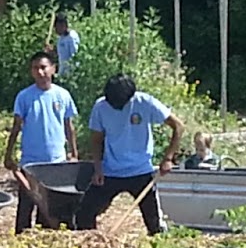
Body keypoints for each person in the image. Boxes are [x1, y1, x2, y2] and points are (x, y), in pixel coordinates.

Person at [76, 73, 184, 236]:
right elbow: (96, 140)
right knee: (84, 214)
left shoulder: (145, 102)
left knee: (155, 225)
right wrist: (98, 168)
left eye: (120, 104)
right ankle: (92, 247)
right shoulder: (100, 107)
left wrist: (168, 158)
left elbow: (178, 126)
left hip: (141, 172)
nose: (117, 107)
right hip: (111, 171)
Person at [3, 49, 78, 233]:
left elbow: (69, 126)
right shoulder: (25, 96)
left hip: (55, 161)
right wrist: (9, 153)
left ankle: (44, 238)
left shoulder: (62, 95)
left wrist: (74, 153)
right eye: (35, 68)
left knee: (50, 205)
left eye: (44, 67)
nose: (40, 72)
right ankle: (21, 238)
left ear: (53, 69)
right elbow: (16, 127)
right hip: (31, 161)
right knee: (26, 204)